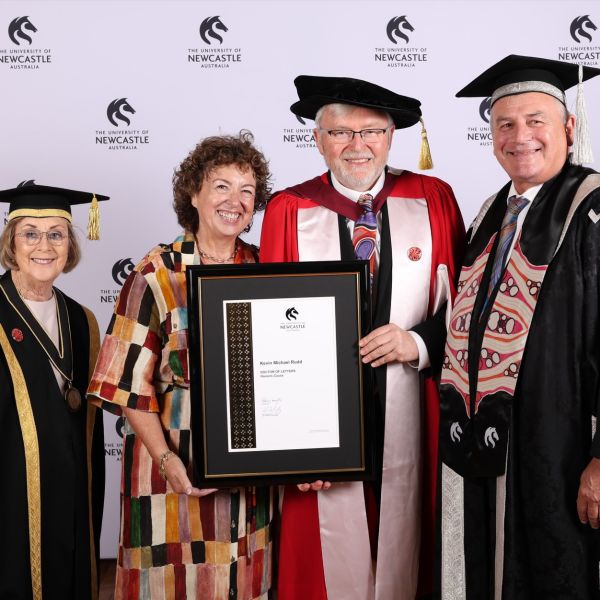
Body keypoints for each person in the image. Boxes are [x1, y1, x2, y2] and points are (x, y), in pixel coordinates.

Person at [259, 76, 465, 600]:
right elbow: (267, 332)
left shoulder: (433, 198)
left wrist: (417, 344)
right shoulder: (289, 209)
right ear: (318, 138)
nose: (357, 145)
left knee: (411, 535)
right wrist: (292, 447)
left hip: (413, 402)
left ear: (392, 134)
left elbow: (467, 310)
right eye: (340, 132)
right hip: (320, 414)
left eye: (371, 131)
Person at [438, 55, 600, 598]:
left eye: (536, 121)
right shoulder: (489, 213)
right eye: (504, 124)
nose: (520, 136)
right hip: (484, 445)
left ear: (569, 128)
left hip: (560, 448)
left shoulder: (592, 207)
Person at [87, 131, 274, 600]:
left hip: (248, 477)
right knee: (170, 585)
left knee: (243, 583)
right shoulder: (155, 274)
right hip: (170, 472)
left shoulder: (266, 267)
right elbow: (124, 385)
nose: (236, 201)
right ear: (194, 193)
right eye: (222, 186)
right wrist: (169, 460)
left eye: (247, 190)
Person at [0, 182, 106, 600]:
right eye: (30, 233)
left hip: (71, 491)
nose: (44, 246)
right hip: (9, 493)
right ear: (11, 242)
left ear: (69, 245)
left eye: (56, 234)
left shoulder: (83, 322)